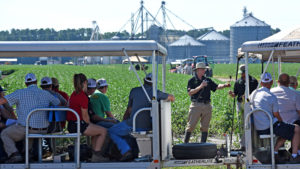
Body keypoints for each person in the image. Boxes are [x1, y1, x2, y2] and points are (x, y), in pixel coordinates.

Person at [109, 73, 175, 161]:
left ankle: (126, 151)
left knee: (112, 131)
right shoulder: (156, 93)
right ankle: (132, 154)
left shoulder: (134, 91)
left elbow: (129, 109)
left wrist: (124, 120)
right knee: (129, 133)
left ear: (144, 80)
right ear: (154, 82)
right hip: (148, 125)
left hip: (133, 124)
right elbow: (172, 98)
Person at [0, 73, 60, 163]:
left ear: (25, 83)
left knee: (5, 133)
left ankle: (14, 154)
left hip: (27, 129)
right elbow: (58, 103)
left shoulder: (19, 93)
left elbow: (2, 101)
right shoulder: (45, 93)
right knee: (27, 130)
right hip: (44, 129)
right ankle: (27, 153)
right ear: (36, 82)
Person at [250, 72, 300, 163]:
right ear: (272, 82)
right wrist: (282, 123)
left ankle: (275, 152)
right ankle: (294, 155)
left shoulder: (254, 93)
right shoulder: (271, 96)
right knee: (296, 129)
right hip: (269, 126)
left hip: (259, 125)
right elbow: (276, 114)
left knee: (286, 129)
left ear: (261, 83)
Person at [184, 62, 231, 143]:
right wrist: (201, 86)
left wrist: (224, 85)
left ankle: (203, 146)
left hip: (207, 105)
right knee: (190, 126)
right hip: (196, 105)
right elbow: (190, 93)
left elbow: (216, 86)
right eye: (202, 69)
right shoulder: (192, 81)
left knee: (205, 127)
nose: (204, 71)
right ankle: (185, 144)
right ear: (198, 70)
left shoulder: (208, 80)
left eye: (204, 69)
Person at [66, 73, 108, 162]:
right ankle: (97, 155)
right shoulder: (82, 96)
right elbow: (85, 117)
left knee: (96, 131)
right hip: (78, 125)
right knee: (103, 131)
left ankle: (93, 154)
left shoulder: (74, 94)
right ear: (85, 82)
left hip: (72, 124)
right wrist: (91, 125)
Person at [228, 64, 258, 149]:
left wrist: (248, 97)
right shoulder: (238, 82)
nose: (241, 74)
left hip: (250, 104)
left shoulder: (253, 81)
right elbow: (235, 94)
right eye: (241, 73)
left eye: (243, 73)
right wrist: (232, 94)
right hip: (240, 104)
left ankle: (252, 143)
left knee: (250, 123)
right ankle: (243, 144)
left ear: (246, 72)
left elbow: (256, 93)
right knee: (241, 124)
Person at [0, 85, 16, 162]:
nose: (4, 94)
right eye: (2, 93)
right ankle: (3, 156)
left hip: (5, 124)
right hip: (2, 126)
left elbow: (11, 117)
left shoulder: (4, 104)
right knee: (4, 132)